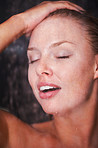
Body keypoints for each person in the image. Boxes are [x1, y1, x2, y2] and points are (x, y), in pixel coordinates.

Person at [0, 1, 98, 148]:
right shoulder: (17, 139)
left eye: (61, 55)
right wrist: (20, 22)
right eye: (33, 59)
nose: (40, 68)